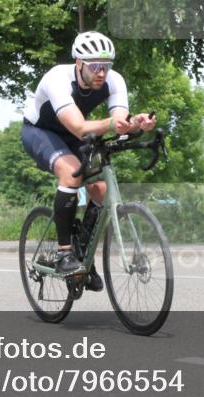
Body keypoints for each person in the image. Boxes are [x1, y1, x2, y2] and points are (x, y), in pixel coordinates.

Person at [20, 31, 155, 290]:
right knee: (72, 173)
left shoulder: (115, 80)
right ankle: (64, 253)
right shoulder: (57, 79)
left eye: (105, 66)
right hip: (42, 132)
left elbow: (119, 122)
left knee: (100, 189)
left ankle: (84, 252)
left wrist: (136, 124)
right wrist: (112, 124)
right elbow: (81, 128)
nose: (101, 73)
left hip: (75, 132)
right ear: (79, 63)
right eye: (95, 66)